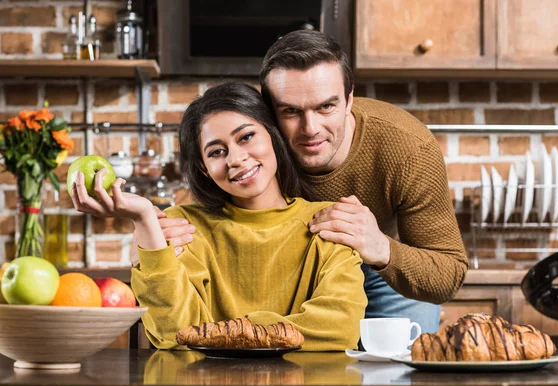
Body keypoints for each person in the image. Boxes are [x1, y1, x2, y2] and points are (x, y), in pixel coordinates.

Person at [133, 30, 469, 334]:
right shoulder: (258, 142)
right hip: (305, 268)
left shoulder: (408, 147)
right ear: (267, 113)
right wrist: (153, 247)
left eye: (326, 106)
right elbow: (217, 184)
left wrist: (380, 248)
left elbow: (448, 274)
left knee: (392, 375)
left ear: (349, 99)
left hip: (386, 267)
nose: (310, 129)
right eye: (291, 111)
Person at [73, 81, 367, 351]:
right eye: (216, 152)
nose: (236, 159)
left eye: (247, 137)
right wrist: (144, 220)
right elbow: (171, 333)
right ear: (203, 168)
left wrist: (224, 332)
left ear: (273, 135)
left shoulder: (328, 220)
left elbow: (340, 328)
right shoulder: (182, 227)